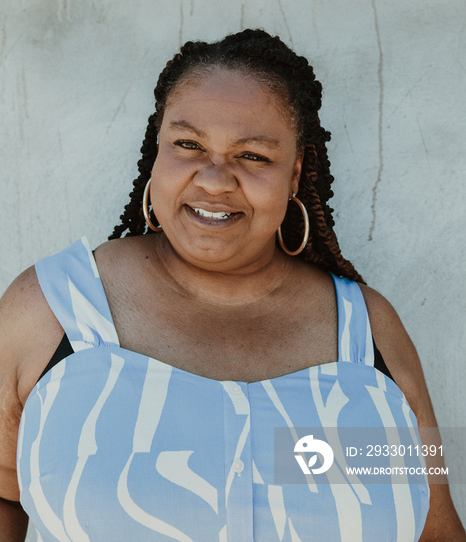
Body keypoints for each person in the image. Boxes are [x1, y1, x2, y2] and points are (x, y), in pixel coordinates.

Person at [0, 29, 464, 542]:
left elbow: (435, 531)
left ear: (295, 174)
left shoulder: (367, 338)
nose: (215, 179)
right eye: (188, 144)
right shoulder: (51, 311)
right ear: (157, 150)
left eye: (253, 156)